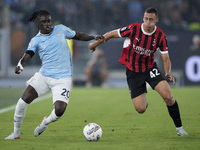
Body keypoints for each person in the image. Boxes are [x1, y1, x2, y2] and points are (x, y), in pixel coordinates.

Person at [89, 7, 189, 136]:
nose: (148, 22)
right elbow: (111, 34)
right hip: (133, 72)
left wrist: (168, 72)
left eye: (151, 19)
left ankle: (180, 129)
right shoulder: (134, 29)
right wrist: (94, 44)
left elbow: (165, 57)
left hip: (150, 69)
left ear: (156, 20)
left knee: (168, 97)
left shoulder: (160, 36)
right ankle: (142, 96)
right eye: (146, 19)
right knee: (141, 109)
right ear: (143, 18)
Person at [5, 10, 104, 139]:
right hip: (44, 76)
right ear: (38, 23)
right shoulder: (36, 40)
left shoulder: (61, 29)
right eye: (44, 21)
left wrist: (93, 36)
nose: (47, 24)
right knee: (22, 101)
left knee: (59, 111)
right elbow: (27, 55)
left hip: (63, 78)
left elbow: (78, 35)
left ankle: (45, 122)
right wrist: (20, 65)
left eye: (49, 21)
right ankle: (16, 133)